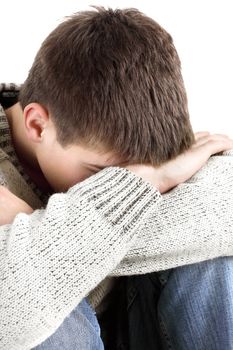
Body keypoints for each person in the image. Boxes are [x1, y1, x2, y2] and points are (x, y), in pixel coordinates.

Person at [0, 7, 233, 350]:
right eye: (103, 175)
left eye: (146, 172)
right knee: (32, 300)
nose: (135, 182)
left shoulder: (134, 127)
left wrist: (39, 232)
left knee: (212, 260)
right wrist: (145, 188)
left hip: (141, 324)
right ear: (37, 125)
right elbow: (10, 315)